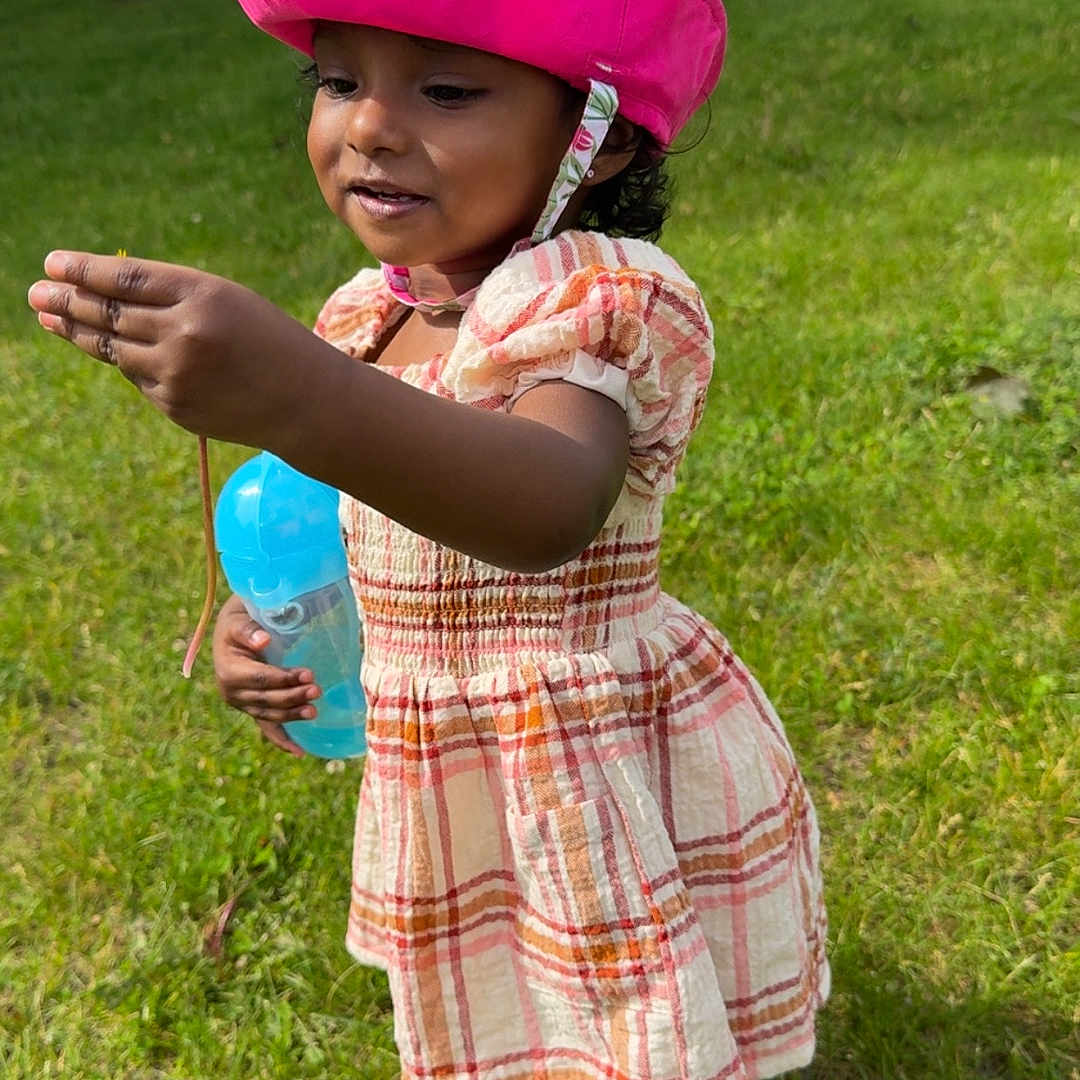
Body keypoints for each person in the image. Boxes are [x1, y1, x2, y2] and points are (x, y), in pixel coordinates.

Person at [27, 1, 829, 1075]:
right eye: (338, 81)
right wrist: (270, 630)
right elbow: (360, 527)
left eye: (446, 91)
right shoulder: (365, 317)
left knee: (621, 1010)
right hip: (458, 771)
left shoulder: (593, 299)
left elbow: (544, 506)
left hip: (583, 763)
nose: (369, 127)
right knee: (504, 1007)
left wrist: (298, 394)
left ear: (602, 139)